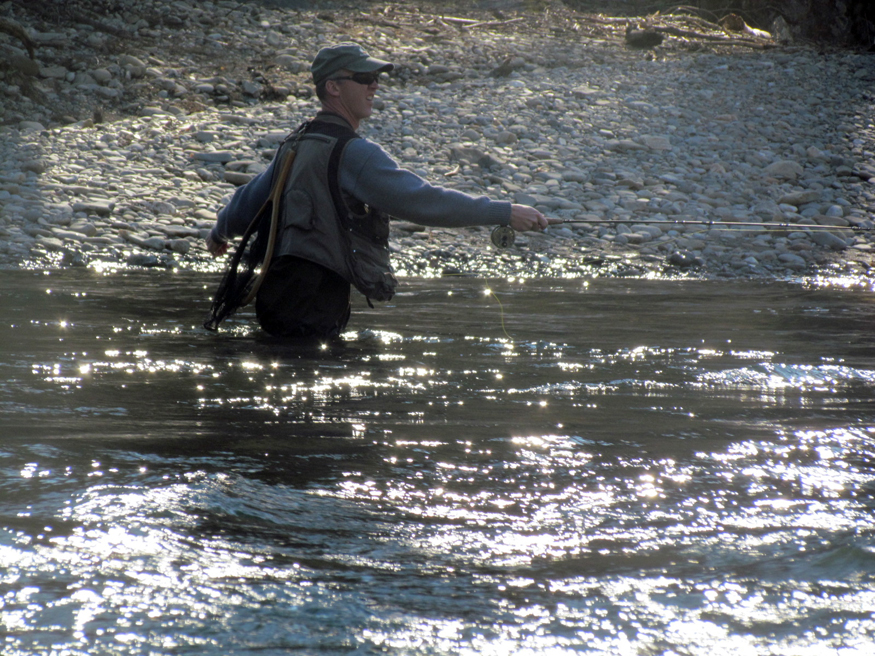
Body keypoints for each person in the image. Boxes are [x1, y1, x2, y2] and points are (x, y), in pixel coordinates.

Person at [205, 42, 553, 338]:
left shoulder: (297, 142)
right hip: (313, 303)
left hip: (277, 297)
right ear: (333, 88)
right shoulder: (354, 153)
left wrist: (219, 231)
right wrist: (503, 212)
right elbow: (422, 202)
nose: (374, 87)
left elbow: (247, 202)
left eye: (375, 79)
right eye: (364, 79)